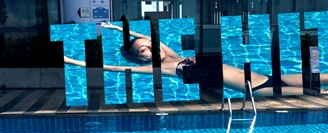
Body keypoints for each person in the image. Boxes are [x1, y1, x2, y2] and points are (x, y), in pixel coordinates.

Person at [64, 22, 300, 96]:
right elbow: (113, 68)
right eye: (144, 50)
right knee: (314, 91)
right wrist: (70, 61)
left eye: (150, 46)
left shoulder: (175, 56)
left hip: (265, 77)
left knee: (320, 79)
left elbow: (150, 37)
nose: (151, 48)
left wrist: (118, 29)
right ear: (140, 59)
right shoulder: (164, 68)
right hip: (256, 89)